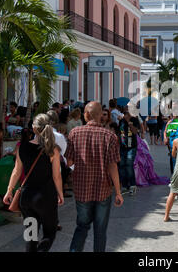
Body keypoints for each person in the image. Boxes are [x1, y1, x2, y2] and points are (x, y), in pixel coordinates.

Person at [65, 102, 124, 252]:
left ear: (85, 115)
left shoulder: (74, 133)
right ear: (100, 116)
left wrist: (76, 171)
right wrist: (118, 192)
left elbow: (69, 162)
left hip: (82, 189)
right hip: (103, 189)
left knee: (82, 227)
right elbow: (113, 166)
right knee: (100, 231)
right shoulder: (110, 136)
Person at [3, 114, 64, 252]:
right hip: (45, 197)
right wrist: (60, 193)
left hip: (27, 197)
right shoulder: (52, 149)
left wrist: (9, 190)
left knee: (30, 235)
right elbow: (57, 176)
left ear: (33, 128)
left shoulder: (22, 147)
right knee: (49, 232)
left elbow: (16, 171)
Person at [119, 112, 140, 195]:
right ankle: (124, 186)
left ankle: (132, 186)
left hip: (131, 147)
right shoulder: (121, 121)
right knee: (122, 166)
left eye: (127, 112)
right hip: (122, 146)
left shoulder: (134, 120)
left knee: (129, 165)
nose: (126, 114)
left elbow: (135, 132)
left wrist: (129, 122)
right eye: (125, 112)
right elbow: (120, 133)